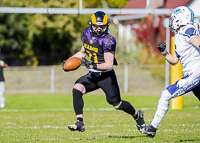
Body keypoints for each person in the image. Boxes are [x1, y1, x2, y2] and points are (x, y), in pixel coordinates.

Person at [64, 11, 145, 132]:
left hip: (106, 77)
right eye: (97, 25)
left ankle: (137, 115)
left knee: (117, 104)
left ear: (106, 26)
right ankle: (79, 122)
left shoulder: (108, 40)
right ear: (92, 25)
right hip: (93, 75)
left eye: (101, 26)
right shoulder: (86, 33)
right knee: (77, 88)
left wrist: (92, 65)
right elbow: (82, 52)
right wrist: (68, 61)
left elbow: (108, 64)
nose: (99, 28)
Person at [137, 6, 200, 138]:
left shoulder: (188, 29)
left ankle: (152, 128)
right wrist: (164, 52)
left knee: (166, 95)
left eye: (174, 18)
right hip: (192, 74)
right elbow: (174, 60)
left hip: (195, 74)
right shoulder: (180, 34)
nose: (172, 21)